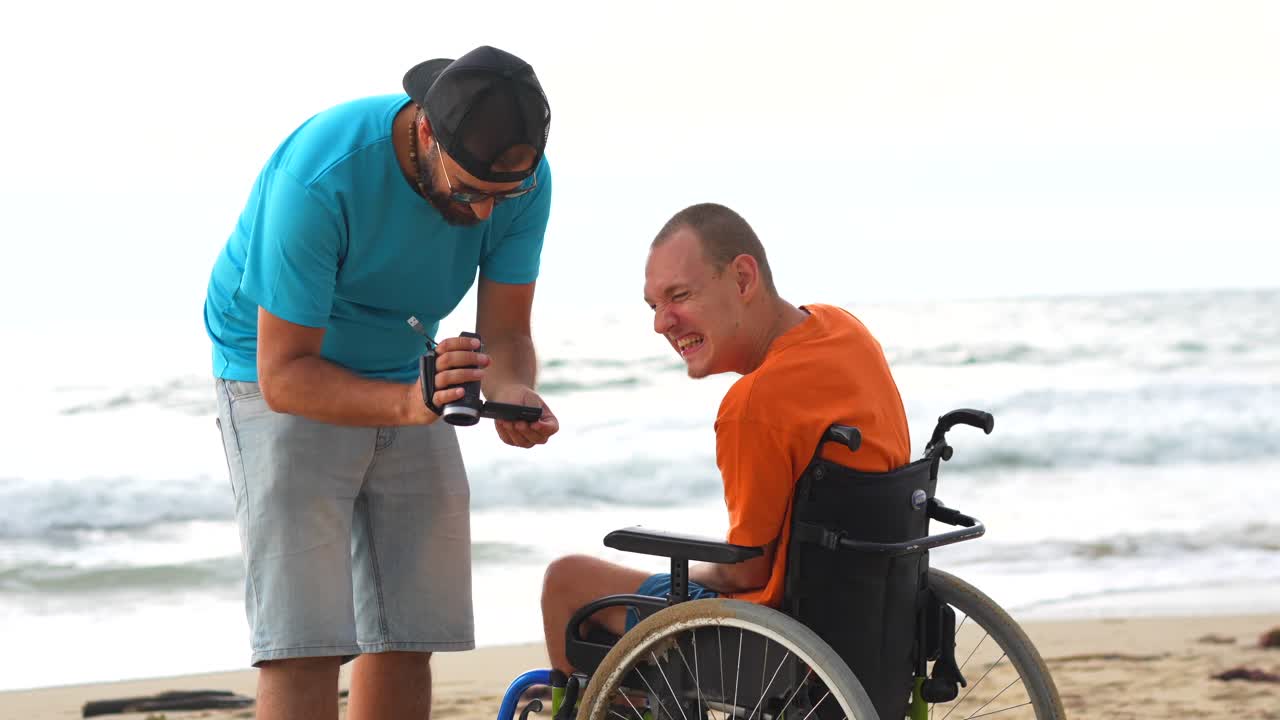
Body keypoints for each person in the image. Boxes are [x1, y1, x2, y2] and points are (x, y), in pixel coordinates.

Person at [204, 46, 560, 720]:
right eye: (469, 190)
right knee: (305, 644)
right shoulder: (322, 177)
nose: (485, 214)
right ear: (427, 132)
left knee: (408, 634)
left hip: (403, 366)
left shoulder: (522, 182)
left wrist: (514, 393)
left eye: (501, 195)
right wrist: (410, 401)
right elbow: (285, 376)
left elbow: (508, 335)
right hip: (274, 367)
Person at [540, 203, 911, 677]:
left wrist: (688, 571)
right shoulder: (844, 331)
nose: (661, 323)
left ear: (742, 278)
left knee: (567, 582)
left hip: (774, 642)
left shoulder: (754, 404)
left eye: (679, 295)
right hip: (870, 615)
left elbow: (745, 574)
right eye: (654, 307)